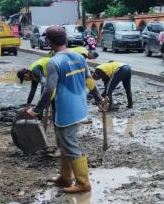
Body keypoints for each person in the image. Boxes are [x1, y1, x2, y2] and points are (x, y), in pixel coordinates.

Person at [25, 25, 106, 194]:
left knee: (69, 144)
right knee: (63, 143)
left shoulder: (55, 62)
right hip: (80, 107)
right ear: (66, 39)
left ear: (48, 42)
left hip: (66, 110)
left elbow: (49, 90)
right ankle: (65, 177)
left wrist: (37, 110)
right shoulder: (79, 56)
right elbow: (89, 81)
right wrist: (98, 99)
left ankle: (84, 183)